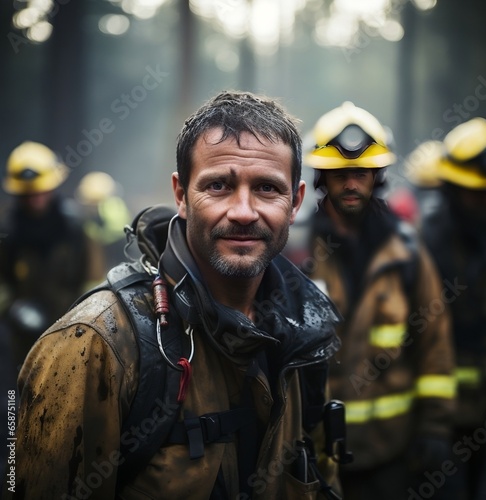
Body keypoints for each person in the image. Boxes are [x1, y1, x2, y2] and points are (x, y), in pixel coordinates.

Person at [5, 91, 344, 499]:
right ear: (181, 195)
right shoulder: (94, 345)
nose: (242, 211)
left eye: (267, 188)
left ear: (296, 202)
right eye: (218, 185)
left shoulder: (304, 333)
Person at [303, 101, 456, 500]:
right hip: (312, 455)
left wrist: (436, 428)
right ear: (321, 177)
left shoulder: (407, 251)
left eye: (362, 173)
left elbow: (435, 343)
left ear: (378, 176)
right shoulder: (297, 252)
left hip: (391, 453)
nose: (351, 184)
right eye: (340, 174)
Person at [418, 117, 486, 500]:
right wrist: (429, 428)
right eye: (475, 194)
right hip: (442, 424)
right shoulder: (425, 248)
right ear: (451, 189)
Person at [0, 141, 105, 370]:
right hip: (20, 341)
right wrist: (12, 309)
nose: (34, 198)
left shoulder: (75, 228)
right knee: (13, 399)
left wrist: (83, 320)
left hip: (72, 336)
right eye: (27, 193)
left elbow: (93, 281)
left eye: (40, 191)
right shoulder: (7, 230)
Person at [75, 170, 132, 269]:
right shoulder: (115, 206)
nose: (89, 206)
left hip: (115, 256)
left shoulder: (112, 210)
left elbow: (110, 235)